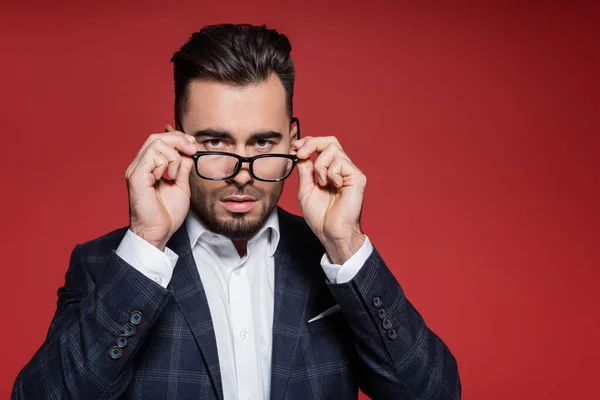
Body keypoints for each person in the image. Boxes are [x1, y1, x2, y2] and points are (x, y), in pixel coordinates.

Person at [12, 24, 461, 400]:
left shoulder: (333, 262)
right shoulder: (104, 267)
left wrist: (346, 245)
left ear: (295, 139)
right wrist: (147, 244)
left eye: (263, 143)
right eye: (215, 142)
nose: (241, 174)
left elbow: (433, 393)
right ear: (176, 141)